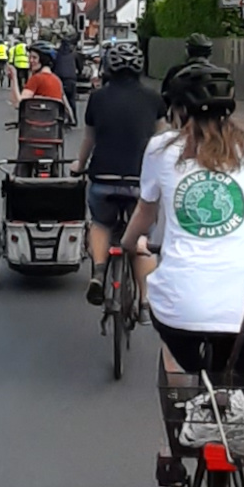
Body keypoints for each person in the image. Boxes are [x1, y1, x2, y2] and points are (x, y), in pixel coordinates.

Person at [125, 59, 244, 487]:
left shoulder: (160, 152)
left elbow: (145, 218)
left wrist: (129, 246)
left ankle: (175, 446)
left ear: (177, 110)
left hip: (186, 313)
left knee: (172, 337)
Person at [77, 40, 163, 306]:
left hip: (104, 178)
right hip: (141, 182)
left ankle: (100, 271)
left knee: (101, 223)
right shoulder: (154, 99)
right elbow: (161, 142)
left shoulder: (97, 98)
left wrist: (78, 166)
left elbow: (89, 139)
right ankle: (146, 300)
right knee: (141, 237)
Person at [53, 34, 85, 126]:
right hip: (71, 79)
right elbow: (80, 66)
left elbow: (53, 65)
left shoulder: (57, 54)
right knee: (71, 100)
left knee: (59, 100)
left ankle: (61, 118)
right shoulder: (74, 54)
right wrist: (78, 73)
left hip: (59, 79)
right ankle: (73, 119)